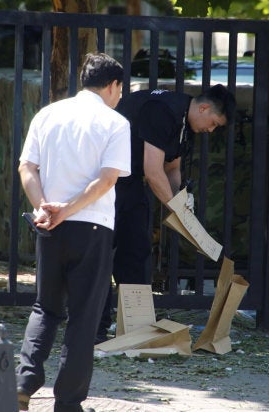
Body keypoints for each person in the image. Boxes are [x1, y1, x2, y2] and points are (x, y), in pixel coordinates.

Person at [15, 52, 131, 412]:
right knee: (84, 316)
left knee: (45, 307)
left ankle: (21, 384)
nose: (121, 96)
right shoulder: (115, 122)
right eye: (120, 90)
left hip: (47, 224)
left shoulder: (47, 114)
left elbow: (26, 167)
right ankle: (67, 403)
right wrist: (68, 209)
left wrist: (43, 207)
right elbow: (107, 178)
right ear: (112, 86)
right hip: (91, 225)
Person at [96, 84, 236, 343]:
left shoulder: (186, 122)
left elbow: (171, 169)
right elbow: (153, 170)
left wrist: (183, 205)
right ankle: (95, 330)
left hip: (131, 183)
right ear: (204, 108)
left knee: (137, 254)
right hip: (107, 182)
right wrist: (178, 212)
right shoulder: (163, 111)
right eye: (214, 123)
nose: (211, 130)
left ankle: (135, 329)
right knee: (101, 255)